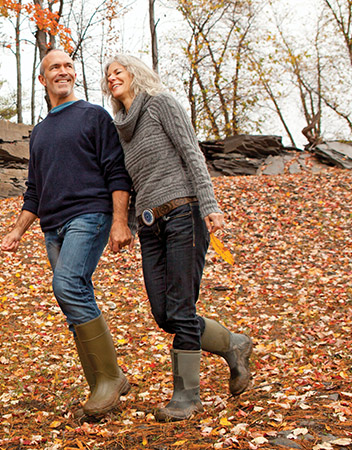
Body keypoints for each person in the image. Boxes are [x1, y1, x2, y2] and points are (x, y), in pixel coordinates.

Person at [102, 54, 253, 422]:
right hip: (150, 225)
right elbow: (130, 182)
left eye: (117, 71)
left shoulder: (160, 104)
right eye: (107, 75)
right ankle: (233, 344)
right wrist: (125, 224)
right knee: (163, 312)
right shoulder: (121, 126)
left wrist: (210, 205)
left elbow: (191, 153)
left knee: (181, 309)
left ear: (135, 73)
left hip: (184, 212)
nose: (111, 78)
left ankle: (186, 395)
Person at [1, 48, 134, 417]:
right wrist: (17, 231)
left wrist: (120, 221)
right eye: (54, 68)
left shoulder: (94, 116)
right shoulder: (40, 132)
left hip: (89, 215)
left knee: (67, 284)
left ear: (74, 75)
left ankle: (110, 377)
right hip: (53, 226)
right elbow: (35, 190)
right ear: (42, 80)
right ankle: (103, 385)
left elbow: (116, 172)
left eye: (68, 66)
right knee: (72, 298)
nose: (63, 71)